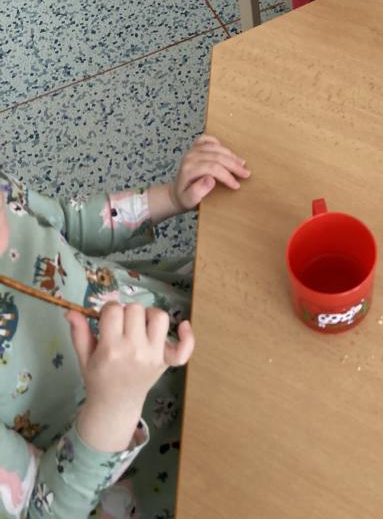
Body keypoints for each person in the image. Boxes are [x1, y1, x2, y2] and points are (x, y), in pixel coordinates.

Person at [0, 134, 249, 519]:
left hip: (177, 312)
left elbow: (66, 221)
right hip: (166, 464)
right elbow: (44, 509)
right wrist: (114, 406)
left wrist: (171, 197)